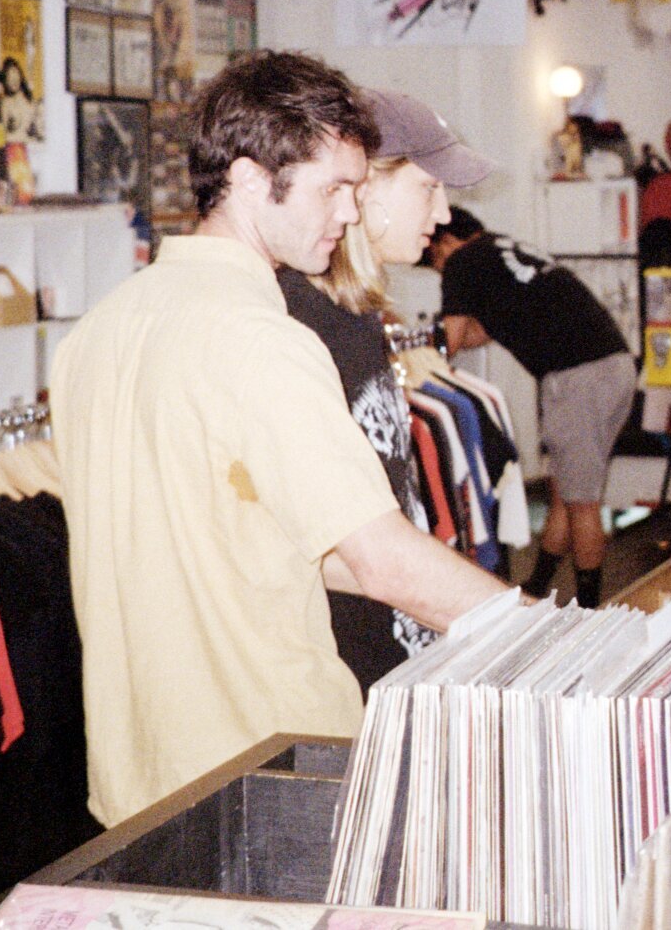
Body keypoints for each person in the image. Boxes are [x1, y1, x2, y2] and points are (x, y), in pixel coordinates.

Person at [49, 51, 510, 828]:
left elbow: (264, 539)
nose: (349, 213)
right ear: (250, 179)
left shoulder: (94, 335)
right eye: (332, 189)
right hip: (271, 769)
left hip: (139, 777)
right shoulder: (265, 343)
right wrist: (546, 627)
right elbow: (383, 559)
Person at [282, 88, 496, 692]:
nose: (445, 213)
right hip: (341, 674)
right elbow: (335, 552)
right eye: (428, 188)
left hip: (394, 656)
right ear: (365, 185)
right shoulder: (304, 322)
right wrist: (528, 625)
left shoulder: (355, 317)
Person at [425, 207, 635, 608]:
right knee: (566, 492)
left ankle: (590, 611)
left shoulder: (462, 262)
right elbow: (477, 333)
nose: (439, 271)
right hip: (610, 366)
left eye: (434, 260)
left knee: (582, 501)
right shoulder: (499, 249)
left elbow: (451, 339)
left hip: (578, 376)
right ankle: (537, 588)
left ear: (444, 242)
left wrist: (416, 364)